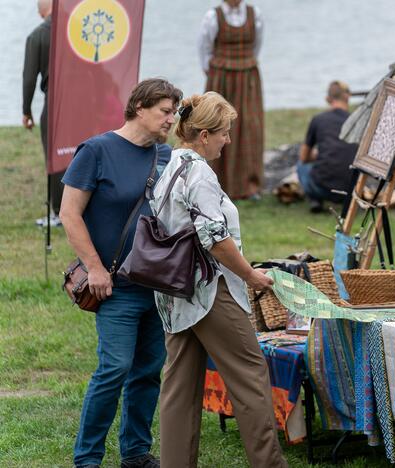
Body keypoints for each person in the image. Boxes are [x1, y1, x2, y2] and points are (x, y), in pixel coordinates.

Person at [154, 92, 289, 468]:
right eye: (224, 133)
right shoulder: (198, 172)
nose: (227, 140)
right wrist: (251, 275)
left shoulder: (170, 167)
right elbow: (214, 239)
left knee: (179, 389)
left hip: (174, 293)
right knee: (250, 376)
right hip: (209, 291)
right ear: (202, 135)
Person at [60, 79, 183, 468]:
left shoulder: (166, 155)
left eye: (175, 112)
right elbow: (69, 214)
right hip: (115, 287)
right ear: (140, 108)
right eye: (165, 111)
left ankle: (134, 453)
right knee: (114, 368)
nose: (171, 119)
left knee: (148, 371)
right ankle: (87, 459)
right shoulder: (96, 151)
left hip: (158, 286)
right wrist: (95, 269)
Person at [199, 0, 264, 200]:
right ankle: (217, 181)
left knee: (249, 126)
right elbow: (204, 49)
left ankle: (249, 185)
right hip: (222, 77)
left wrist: (245, 63)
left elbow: (257, 46)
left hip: (247, 77)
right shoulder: (213, 16)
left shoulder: (255, 14)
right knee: (216, 123)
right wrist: (215, 72)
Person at [23, 0, 62, 226]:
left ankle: (58, 213)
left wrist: (26, 111)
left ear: (41, 11)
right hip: (83, 105)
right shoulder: (75, 32)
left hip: (55, 103)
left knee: (55, 157)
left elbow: (29, 79)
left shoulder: (37, 35)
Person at [297, 80, 358, 212]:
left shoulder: (318, 119)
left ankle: (315, 199)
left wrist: (317, 156)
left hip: (322, 188)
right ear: (347, 97)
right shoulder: (355, 121)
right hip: (350, 189)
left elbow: (304, 157)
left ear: (328, 99)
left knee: (301, 165)